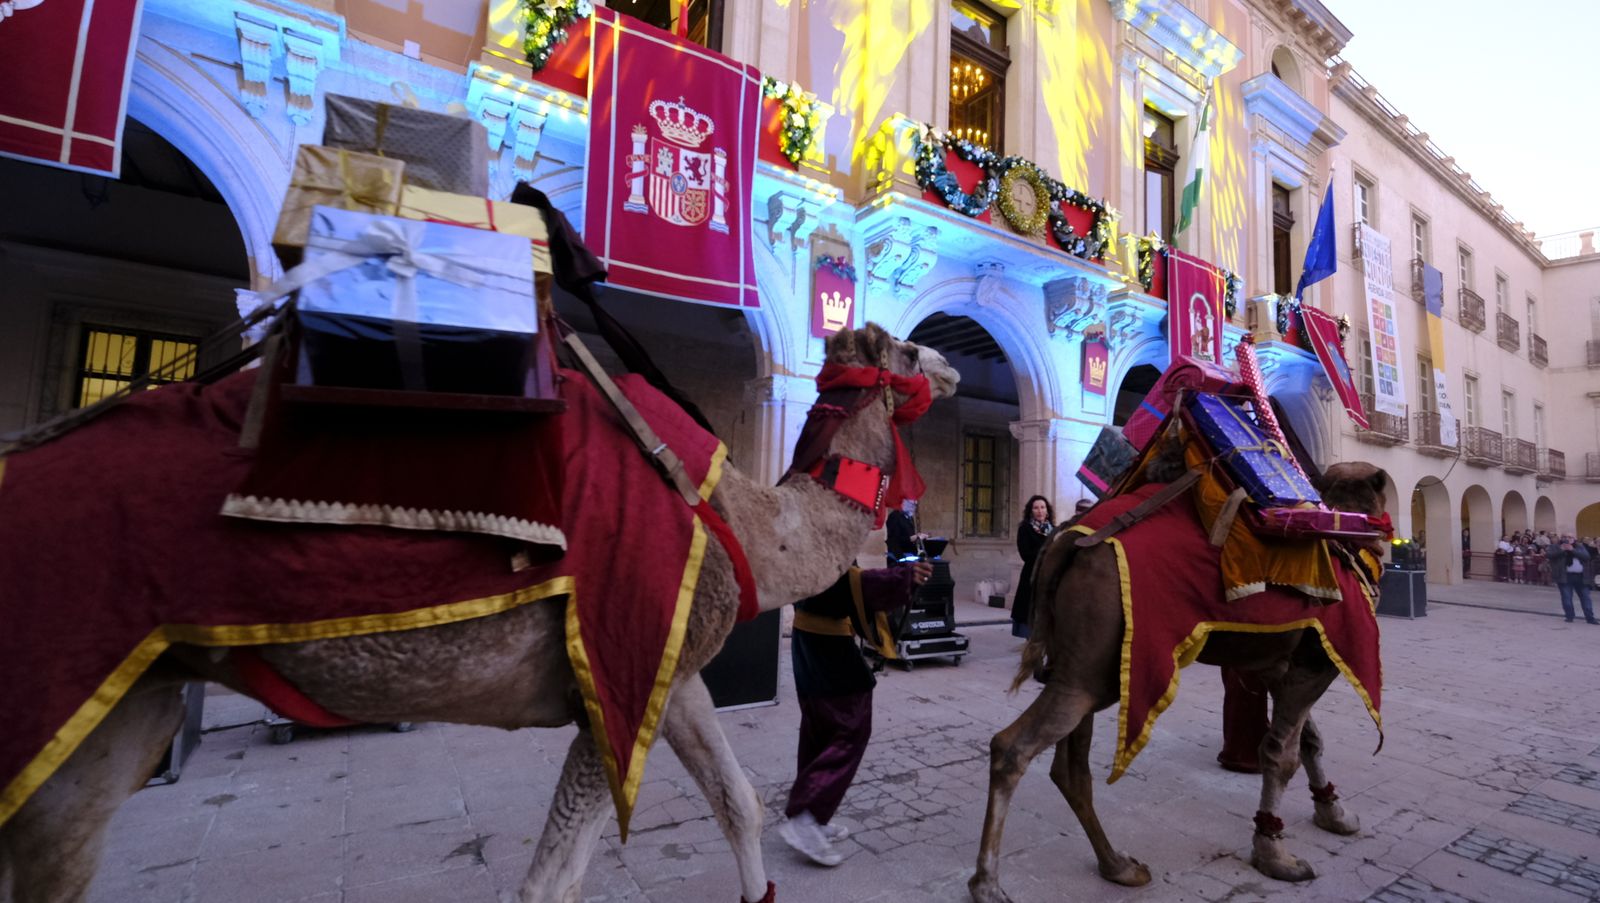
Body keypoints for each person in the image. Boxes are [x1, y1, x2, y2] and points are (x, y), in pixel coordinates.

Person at [781, 558, 933, 866]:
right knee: (850, 729)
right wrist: (905, 577)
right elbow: (849, 584)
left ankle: (811, 816)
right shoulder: (827, 547)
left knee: (818, 730)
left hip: (809, 642)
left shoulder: (810, 544)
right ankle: (806, 817)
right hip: (828, 649)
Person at [1010, 495, 1056, 640]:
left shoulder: (1054, 530)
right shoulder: (1025, 528)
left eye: (1042, 507)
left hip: (1050, 575)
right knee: (1030, 613)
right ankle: (1030, 646)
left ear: (1047, 511)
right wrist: (1047, 552)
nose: (1040, 511)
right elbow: (1025, 554)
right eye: (1036, 508)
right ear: (1031, 511)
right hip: (1032, 575)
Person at [1547, 535, 1597, 624]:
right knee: (1567, 598)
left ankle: (1590, 618)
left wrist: (1572, 550)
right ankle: (1569, 616)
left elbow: (1586, 557)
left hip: (1581, 577)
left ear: (1574, 539)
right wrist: (1562, 550)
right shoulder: (1555, 547)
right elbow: (1550, 555)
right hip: (1565, 576)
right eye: (1565, 537)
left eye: (1570, 537)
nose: (1567, 539)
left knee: (1586, 598)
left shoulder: (1579, 547)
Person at [884, 499, 925, 564]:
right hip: (898, 555)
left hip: (909, 553)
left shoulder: (909, 518)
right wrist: (914, 537)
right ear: (903, 504)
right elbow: (894, 539)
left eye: (915, 505)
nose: (913, 508)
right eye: (911, 505)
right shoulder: (895, 516)